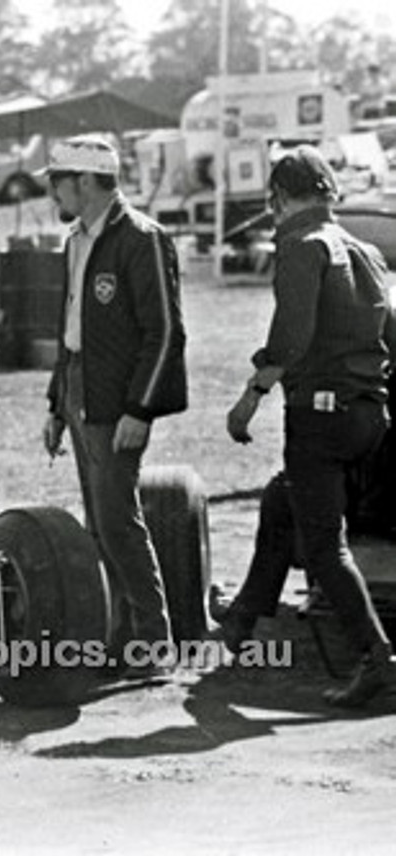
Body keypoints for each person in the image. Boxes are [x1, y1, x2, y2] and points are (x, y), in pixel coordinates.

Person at [222, 145, 396, 708]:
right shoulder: (366, 251)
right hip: (369, 417)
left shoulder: (300, 246)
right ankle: (241, 622)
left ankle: (378, 660)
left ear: (276, 199)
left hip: (320, 416)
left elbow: (292, 339)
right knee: (284, 499)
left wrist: (251, 396)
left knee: (324, 547)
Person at [39, 135, 189, 679]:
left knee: (118, 520)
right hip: (82, 388)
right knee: (100, 523)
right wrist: (57, 402)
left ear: (83, 181)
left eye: (57, 180)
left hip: (116, 398)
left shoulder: (143, 238)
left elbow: (165, 332)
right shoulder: (76, 240)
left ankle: (152, 642)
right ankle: (123, 637)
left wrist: (140, 409)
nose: (53, 190)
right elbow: (70, 327)